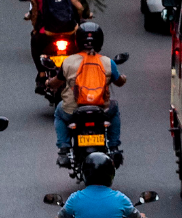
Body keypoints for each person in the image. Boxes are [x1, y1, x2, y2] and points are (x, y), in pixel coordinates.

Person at [46, 22, 127, 167]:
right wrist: (123, 77)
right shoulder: (108, 62)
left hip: (73, 111)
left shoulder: (68, 62)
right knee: (114, 109)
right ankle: (114, 147)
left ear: (77, 41)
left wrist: (48, 83)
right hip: (101, 110)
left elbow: (56, 82)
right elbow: (120, 82)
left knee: (59, 112)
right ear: (100, 41)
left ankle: (64, 149)